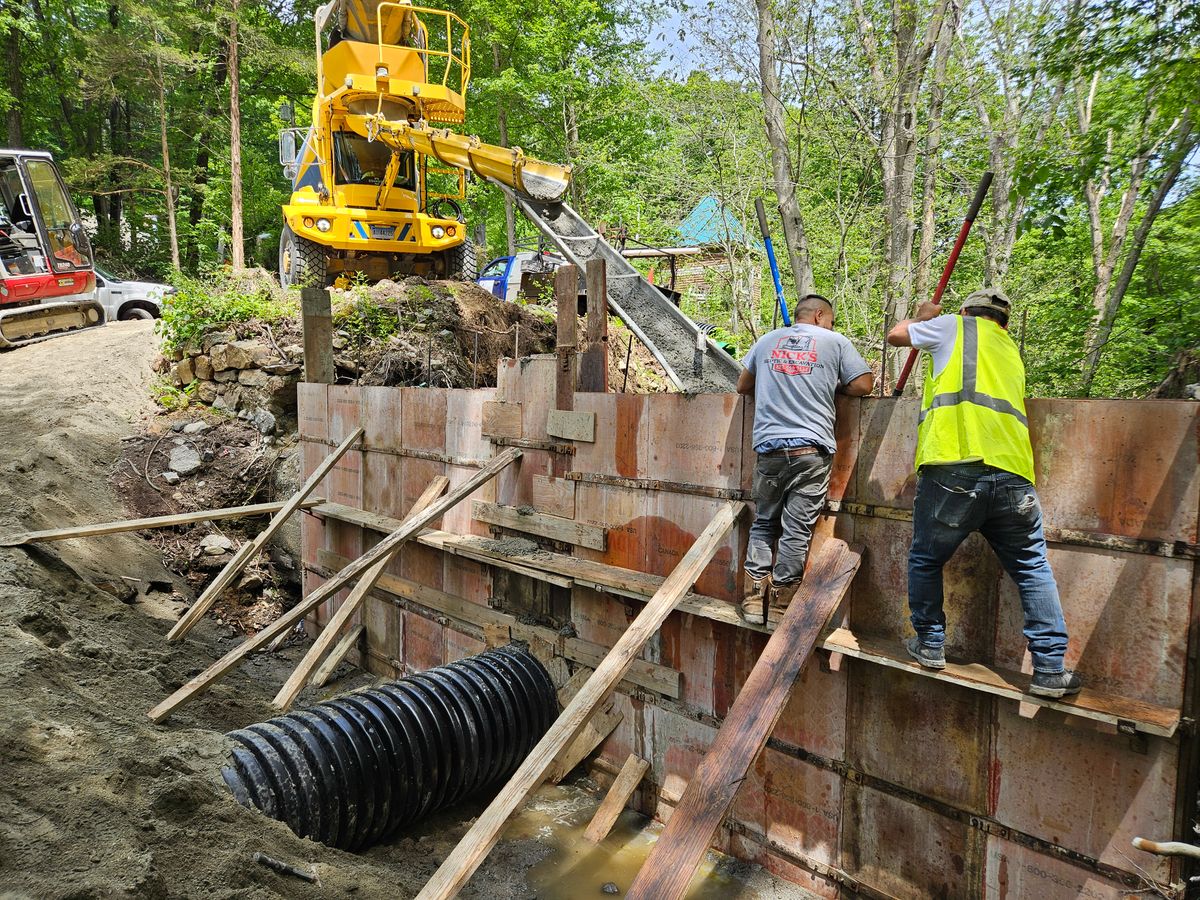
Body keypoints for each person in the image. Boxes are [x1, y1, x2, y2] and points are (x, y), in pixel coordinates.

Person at [886, 287, 1081, 698]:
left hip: (955, 466)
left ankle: (931, 643)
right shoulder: (1010, 349)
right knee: (1032, 567)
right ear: (1004, 323)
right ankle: (1049, 669)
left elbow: (895, 335)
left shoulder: (953, 327)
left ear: (965, 311)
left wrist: (923, 316)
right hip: (1014, 473)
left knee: (926, 558)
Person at [737, 294, 874, 625]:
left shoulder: (766, 341)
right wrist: (832, 386)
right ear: (819, 315)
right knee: (796, 529)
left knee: (764, 521)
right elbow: (864, 384)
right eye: (831, 321)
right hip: (810, 451)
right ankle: (780, 604)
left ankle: (753, 599)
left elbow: (743, 385)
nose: (831, 326)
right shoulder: (835, 342)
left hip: (769, 448)